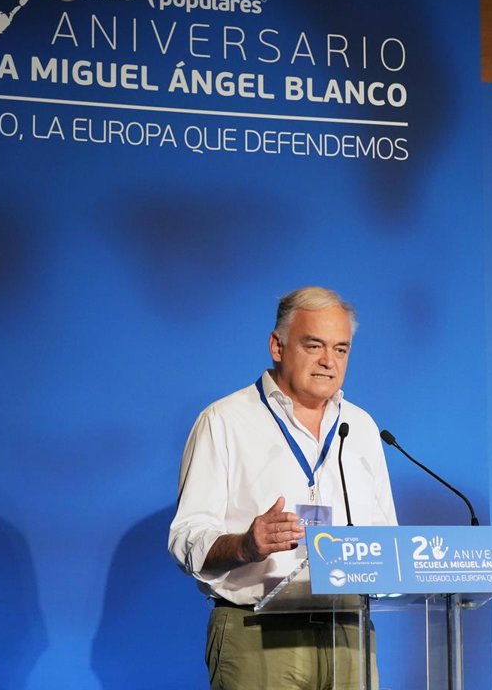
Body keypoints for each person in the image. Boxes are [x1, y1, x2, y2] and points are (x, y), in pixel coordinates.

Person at [169, 286, 397, 689]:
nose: (329, 361)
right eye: (314, 345)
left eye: (341, 349)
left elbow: (384, 538)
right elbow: (186, 536)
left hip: (349, 634)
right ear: (277, 346)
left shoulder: (361, 427)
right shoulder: (224, 421)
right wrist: (245, 546)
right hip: (258, 632)